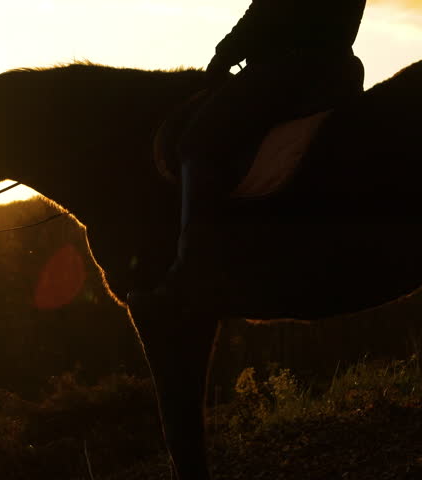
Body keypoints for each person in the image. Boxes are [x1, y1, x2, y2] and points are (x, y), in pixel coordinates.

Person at [130, 0, 367, 311]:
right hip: (337, 69)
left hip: (291, 71)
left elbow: (271, 8)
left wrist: (225, 53)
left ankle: (193, 268)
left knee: (198, 141)